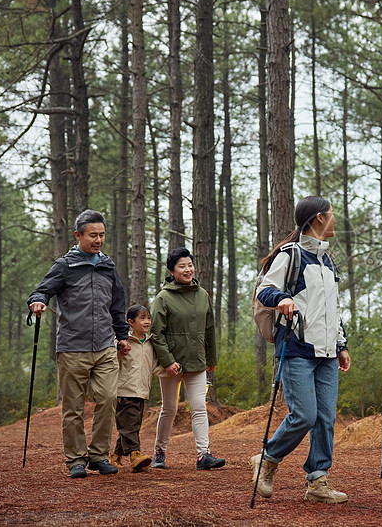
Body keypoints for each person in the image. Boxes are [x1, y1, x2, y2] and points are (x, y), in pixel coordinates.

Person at [250, 196, 351, 504]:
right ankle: (267, 459)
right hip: (296, 349)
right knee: (304, 416)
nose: (335, 219)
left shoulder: (328, 261)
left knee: (325, 419)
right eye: (332, 214)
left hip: (327, 353)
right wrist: (281, 297)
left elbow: (332, 308)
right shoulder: (291, 254)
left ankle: (318, 481)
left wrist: (341, 344)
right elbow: (264, 289)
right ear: (319, 218)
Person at [27, 209, 131, 479]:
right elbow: (42, 289)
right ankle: (75, 459)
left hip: (105, 346)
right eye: (93, 235)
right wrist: (37, 301)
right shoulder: (65, 266)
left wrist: (121, 336)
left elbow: (117, 305)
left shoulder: (108, 266)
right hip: (73, 347)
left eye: (102, 235)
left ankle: (98, 456)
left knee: (108, 399)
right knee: (73, 407)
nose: (98, 240)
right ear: (78, 235)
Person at [150, 247, 225, 470]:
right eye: (182, 266)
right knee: (169, 409)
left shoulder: (203, 295)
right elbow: (156, 333)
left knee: (199, 407)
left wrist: (211, 357)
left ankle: (204, 455)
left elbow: (210, 328)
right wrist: (167, 361)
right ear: (172, 271)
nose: (188, 269)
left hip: (197, 361)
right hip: (172, 364)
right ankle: (159, 452)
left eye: (190, 265)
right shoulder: (163, 298)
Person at [111, 304, 158, 473]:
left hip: (141, 391)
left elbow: (153, 367)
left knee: (130, 425)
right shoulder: (123, 342)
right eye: (142, 318)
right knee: (129, 425)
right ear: (130, 322)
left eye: (148, 318)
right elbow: (110, 362)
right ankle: (135, 455)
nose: (147, 322)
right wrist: (119, 351)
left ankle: (115, 456)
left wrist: (171, 370)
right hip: (124, 390)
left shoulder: (150, 343)